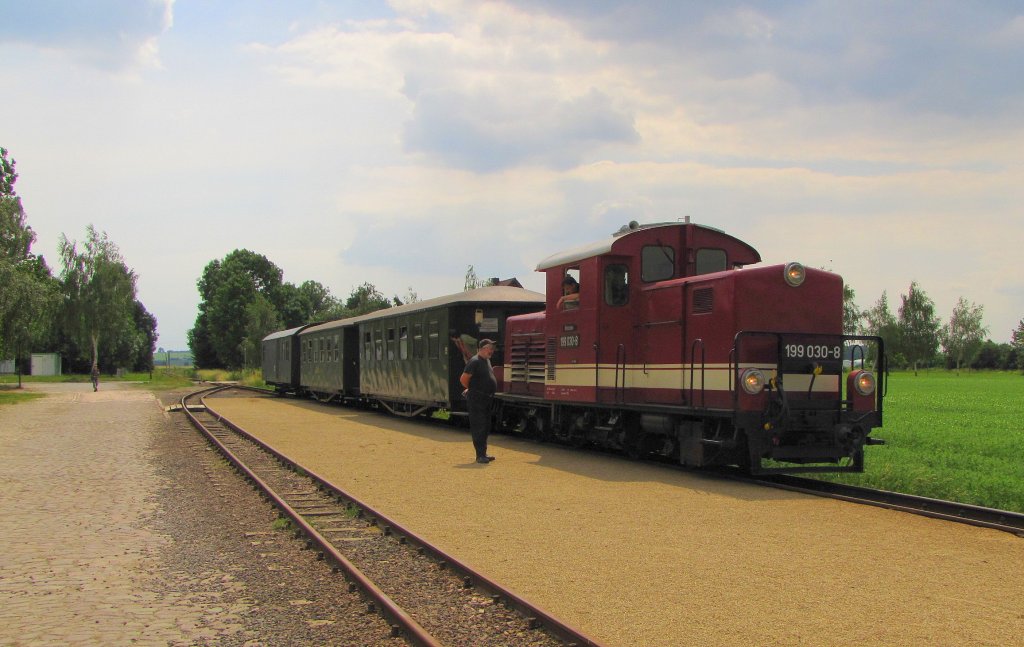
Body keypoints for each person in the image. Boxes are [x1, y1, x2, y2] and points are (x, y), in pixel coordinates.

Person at [460, 338, 498, 464]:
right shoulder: (474, 361)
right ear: (483, 348)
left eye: (492, 348)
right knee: (479, 426)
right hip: (477, 399)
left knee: (486, 426)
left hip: (487, 398)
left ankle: (483, 453)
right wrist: (471, 389)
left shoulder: (486, 361)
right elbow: (463, 379)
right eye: (490, 348)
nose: (492, 351)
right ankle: (479, 455)